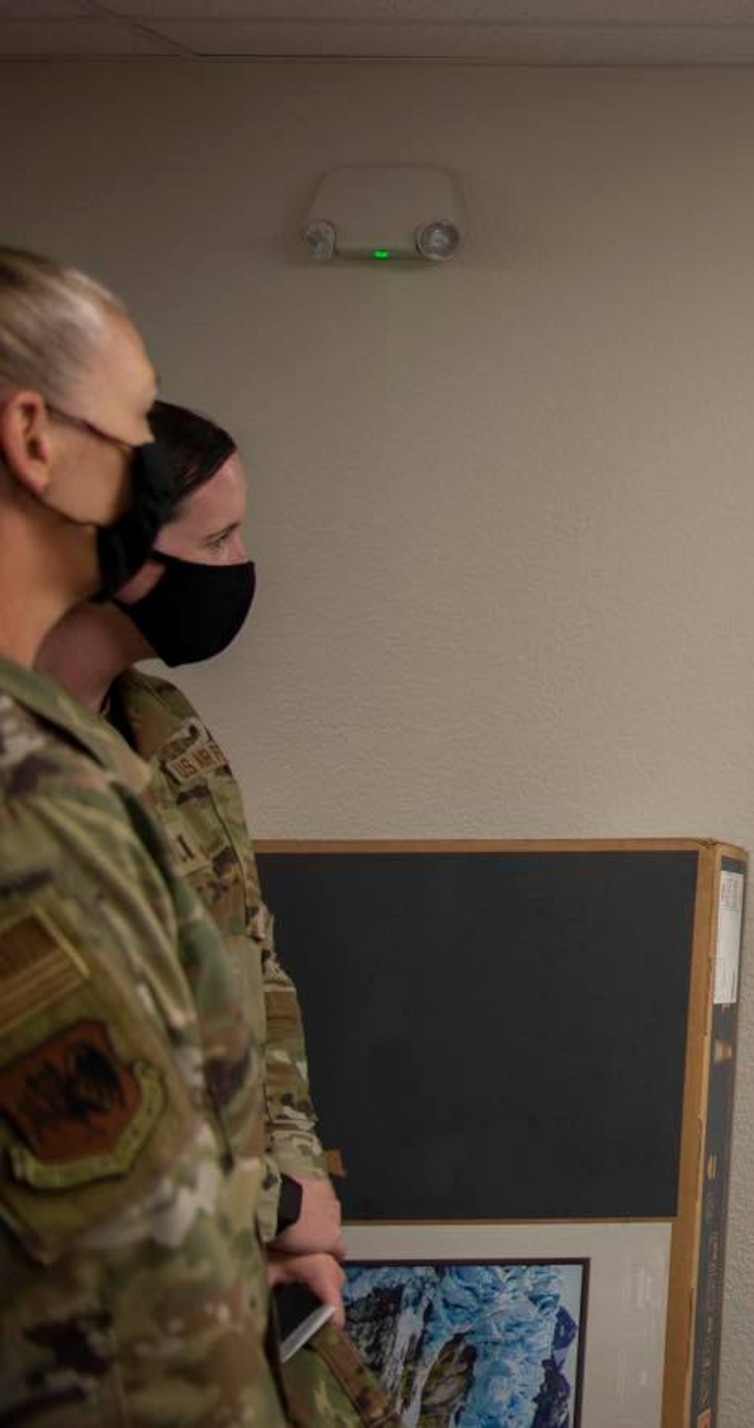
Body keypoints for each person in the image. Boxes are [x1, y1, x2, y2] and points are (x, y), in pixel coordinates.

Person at [37, 402, 395, 1426]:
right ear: (113, 556)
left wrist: (294, 1200)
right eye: (216, 542)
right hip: (86, 1305)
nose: (238, 568)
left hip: (233, 1267)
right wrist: (268, 1205)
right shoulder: (28, 775)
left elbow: (254, 977)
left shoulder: (165, 731)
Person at [0, 247, 281, 1420]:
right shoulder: (34, 798)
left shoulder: (76, 751)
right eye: (130, 443)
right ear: (34, 440)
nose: (146, 493)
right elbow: (130, 1259)